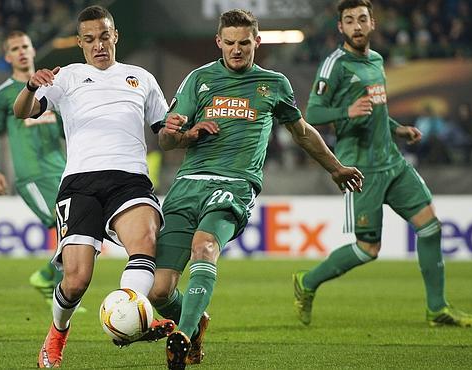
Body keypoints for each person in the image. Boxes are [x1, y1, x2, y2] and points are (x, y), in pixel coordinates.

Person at [146, 9, 364, 369]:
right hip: (187, 186)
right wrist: (183, 132)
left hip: (234, 184)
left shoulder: (274, 84)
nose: (236, 50)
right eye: (229, 43)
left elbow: (302, 132)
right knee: (160, 291)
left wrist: (336, 167)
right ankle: (195, 320)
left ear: (256, 42)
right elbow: (167, 140)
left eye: (244, 43)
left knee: (205, 246)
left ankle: (181, 338)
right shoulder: (198, 79)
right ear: (219, 42)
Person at [295, 0, 472, 328]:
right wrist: (345, 113)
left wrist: (398, 129)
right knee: (369, 249)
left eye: (362, 19)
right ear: (340, 27)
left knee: (431, 228)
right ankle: (307, 282)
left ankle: (437, 309)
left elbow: (376, 109)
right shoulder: (334, 65)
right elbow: (313, 114)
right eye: (349, 20)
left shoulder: (378, 60)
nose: (356, 25)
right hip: (359, 169)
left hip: (392, 162)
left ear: (372, 24)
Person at [13, 6, 175, 368]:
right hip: (80, 184)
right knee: (75, 281)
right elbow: (22, 112)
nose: (98, 45)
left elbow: (163, 132)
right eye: (89, 39)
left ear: (114, 35)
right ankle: (56, 335)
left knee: (145, 243)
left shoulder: (141, 78)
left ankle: (130, 313)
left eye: (104, 36)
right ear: (80, 43)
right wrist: (30, 86)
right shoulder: (66, 77)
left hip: (130, 179)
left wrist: (178, 130)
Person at [0, 30, 85, 311]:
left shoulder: (50, 89)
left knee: (76, 228)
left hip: (63, 171)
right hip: (31, 176)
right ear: (7, 56)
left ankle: (49, 280)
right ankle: (50, 282)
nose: (21, 51)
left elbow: (68, 128)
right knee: (62, 226)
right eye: (14, 48)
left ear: (32, 50)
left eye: (25, 46)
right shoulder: (4, 94)